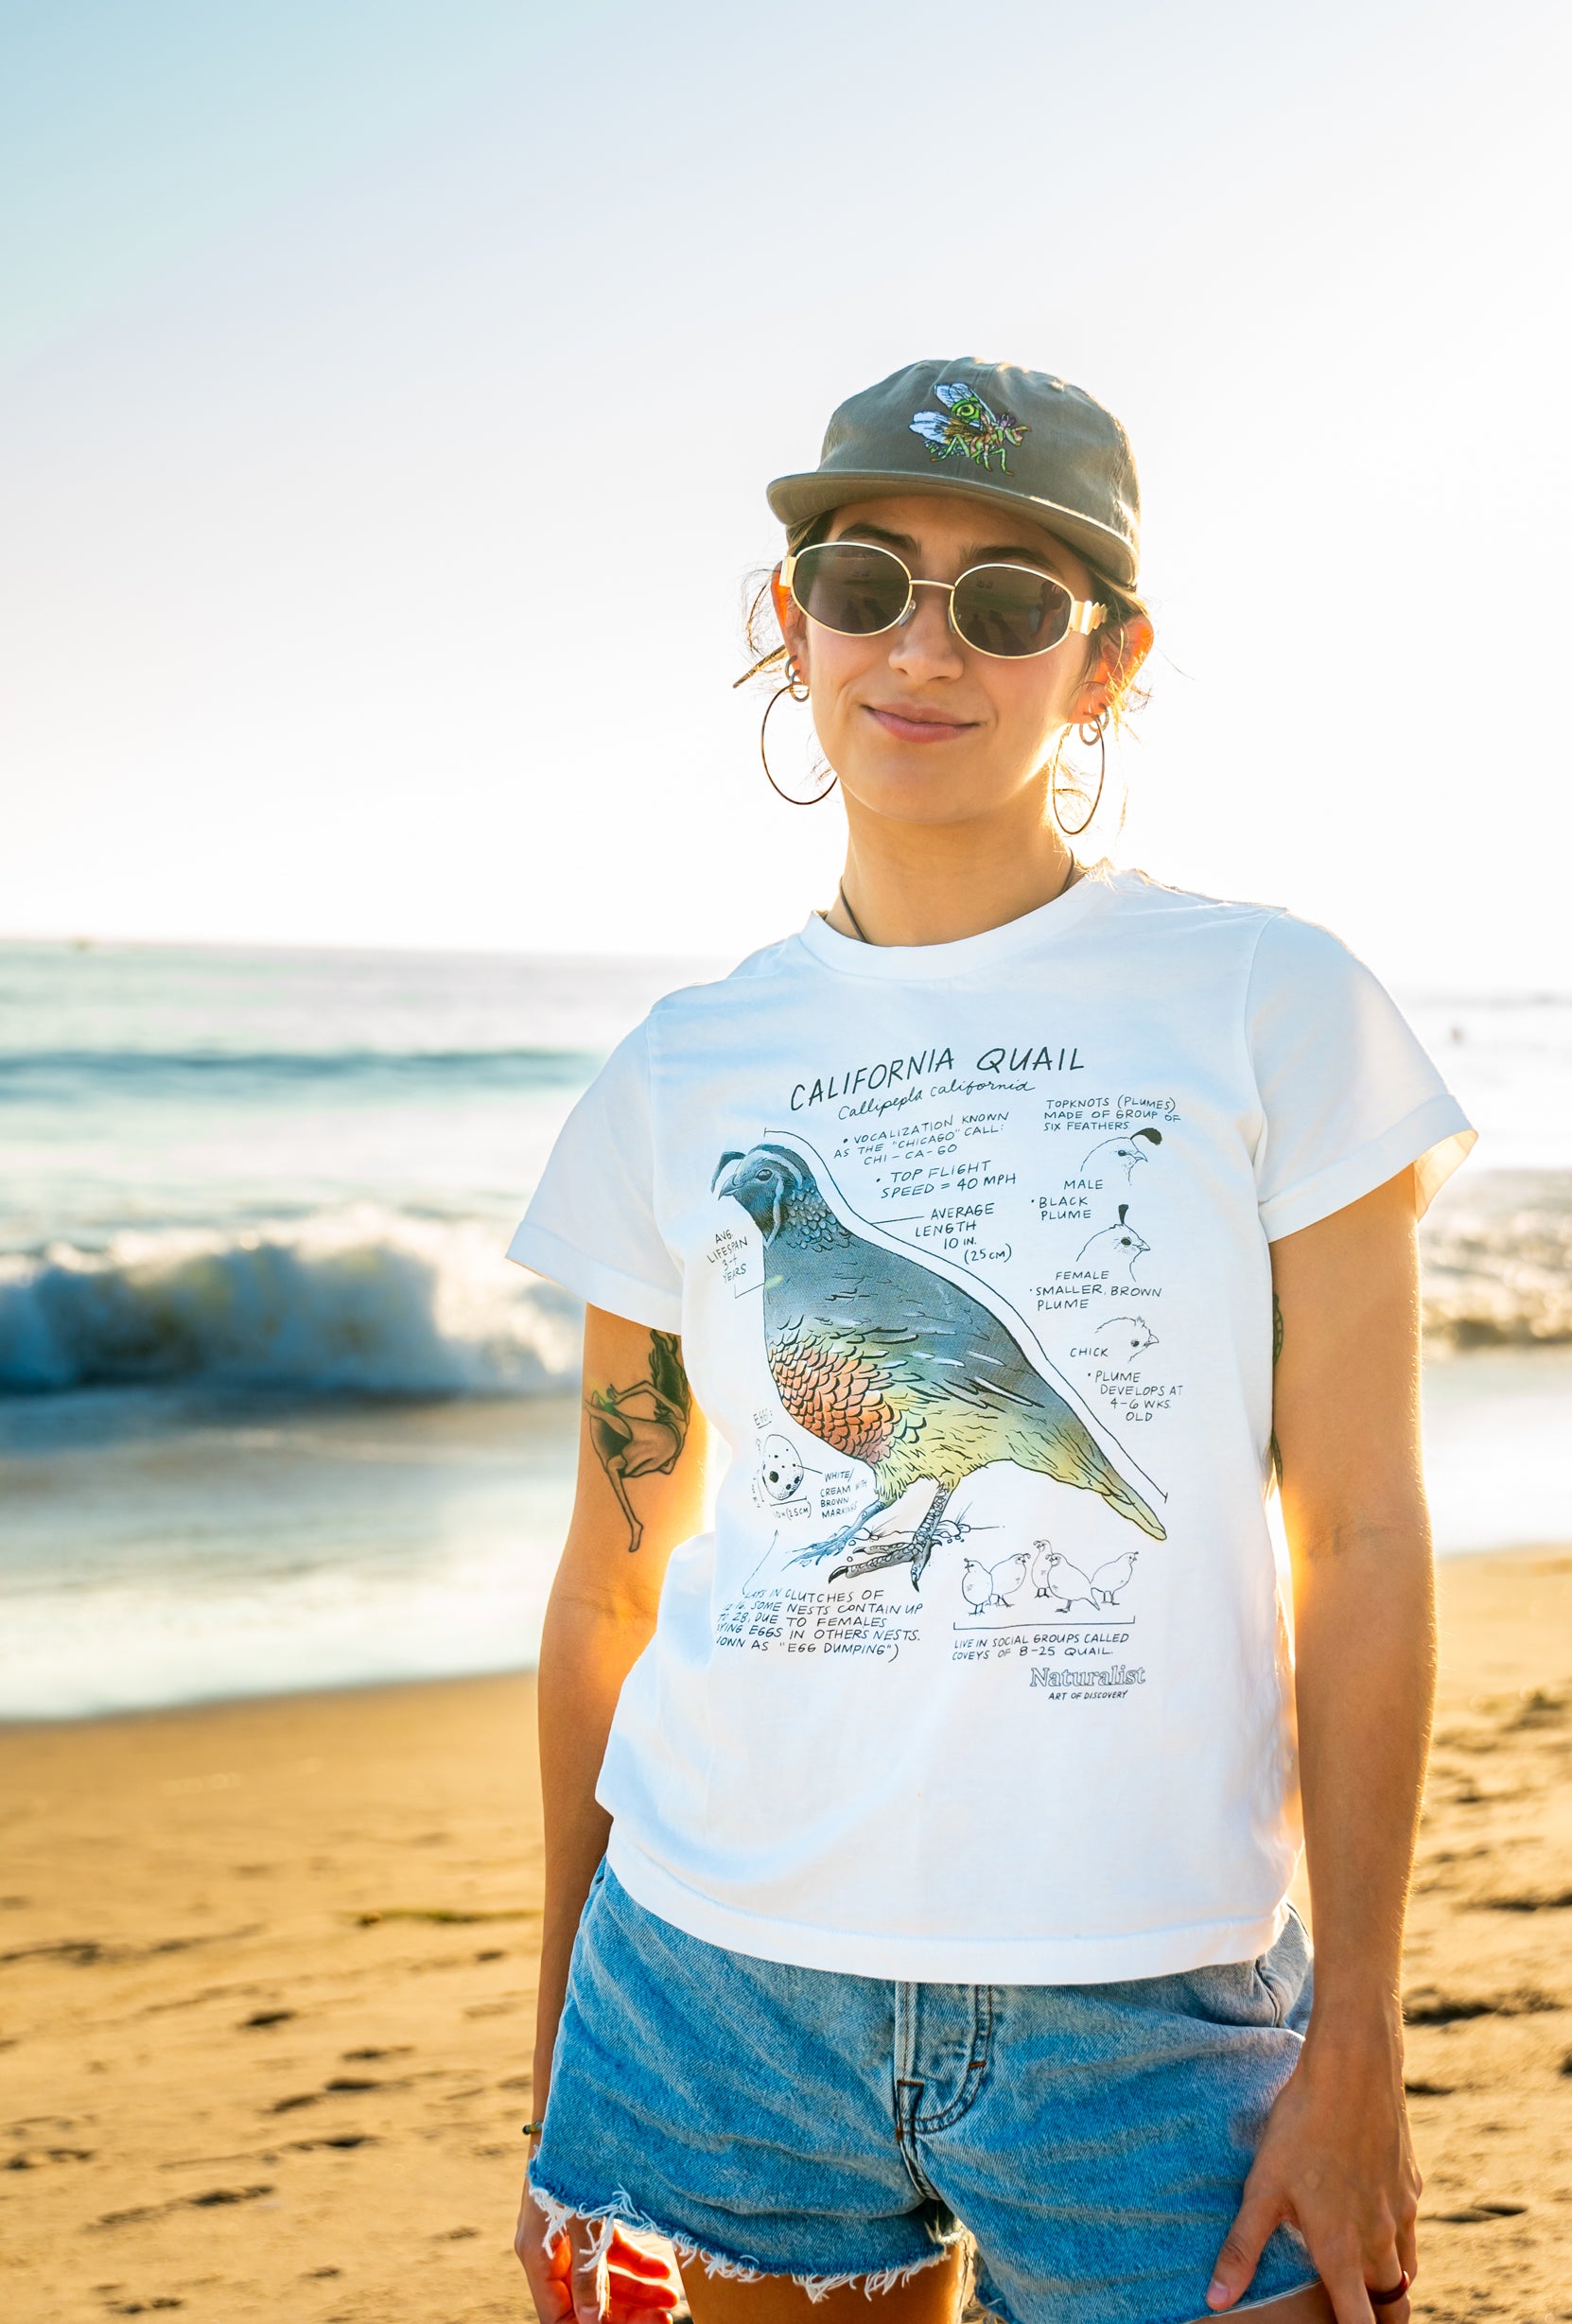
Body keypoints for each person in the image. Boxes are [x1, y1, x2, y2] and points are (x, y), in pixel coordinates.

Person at [508, 358, 1472, 2324]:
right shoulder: (676, 1070)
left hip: (1145, 2003)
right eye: (868, 579)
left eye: (1010, 601)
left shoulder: (1271, 1003)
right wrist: (561, 2034)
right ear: (792, 624)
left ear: (1100, 662)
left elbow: (1361, 1539)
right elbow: (615, 1576)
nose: (923, 646)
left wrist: (1359, 2028)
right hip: (699, 1989)